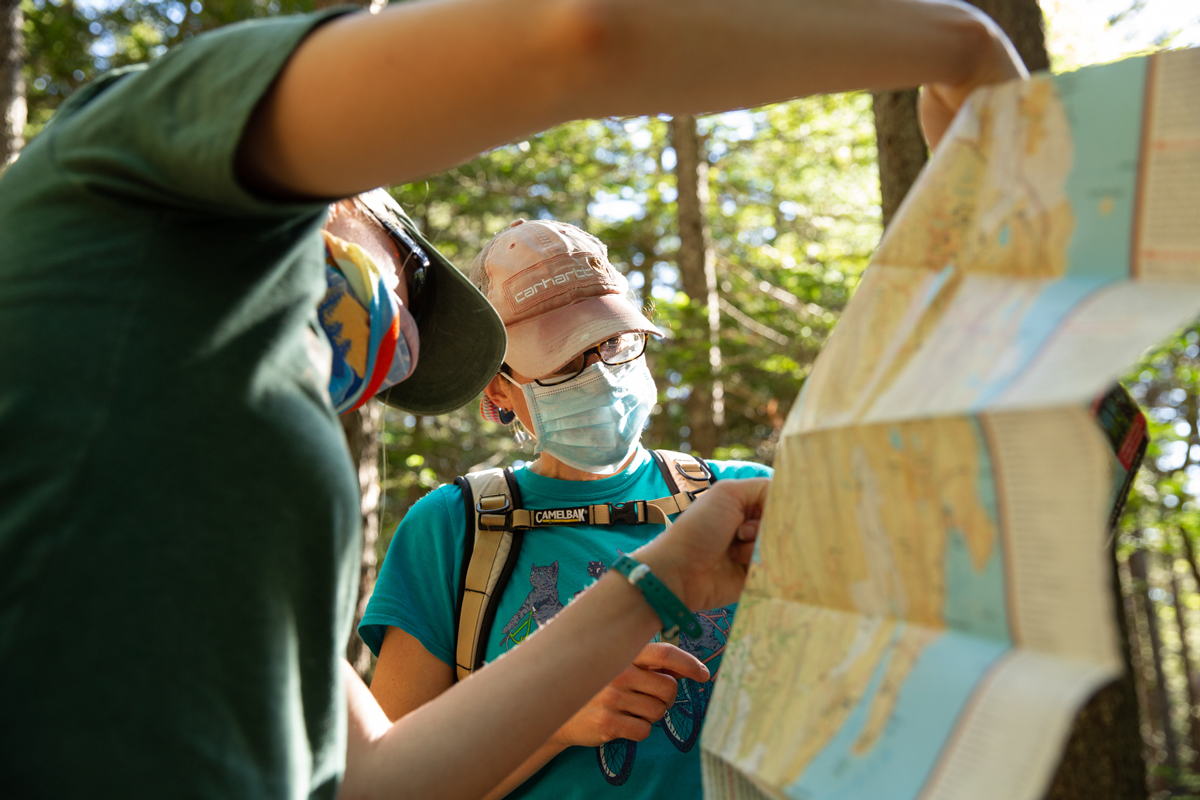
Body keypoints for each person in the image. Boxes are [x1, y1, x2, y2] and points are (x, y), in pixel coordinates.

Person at [0, 0, 1025, 798]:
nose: (381, 356)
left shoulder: (226, 515)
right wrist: (954, 39)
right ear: (348, 195)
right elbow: (573, 35)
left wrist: (661, 577)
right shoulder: (128, 154)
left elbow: (376, 780)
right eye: (402, 293)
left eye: (388, 364)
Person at [361, 219, 773, 800]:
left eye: (613, 341)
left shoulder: (742, 499)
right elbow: (388, 789)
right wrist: (553, 720)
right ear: (497, 391)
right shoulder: (453, 530)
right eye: (562, 359)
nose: (602, 375)